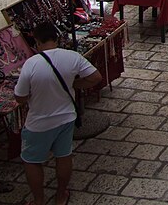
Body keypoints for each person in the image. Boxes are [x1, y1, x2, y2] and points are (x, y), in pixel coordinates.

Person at [14, 22, 102, 205]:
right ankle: (61, 195)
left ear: (37, 42)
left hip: (39, 122)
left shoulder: (31, 64)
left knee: (32, 161)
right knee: (63, 156)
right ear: (57, 38)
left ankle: (39, 200)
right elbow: (95, 77)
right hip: (66, 118)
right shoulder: (72, 57)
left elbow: (20, 98)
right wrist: (75, 85)